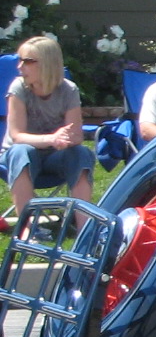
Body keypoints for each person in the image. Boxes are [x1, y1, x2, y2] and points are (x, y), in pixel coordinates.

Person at [6, 33, 92, 225]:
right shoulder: (18, 88)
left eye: (28, 61)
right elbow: (17, 136)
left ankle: (84, 228)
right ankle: (26, 229)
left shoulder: (68, 90)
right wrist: (52, 139)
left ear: (47, 63)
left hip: (55, 157)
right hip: (21, 156)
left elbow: (76, 135)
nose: (20, 66)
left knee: (80, 153)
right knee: (22, 151)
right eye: (20, 60)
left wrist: (66, 139)